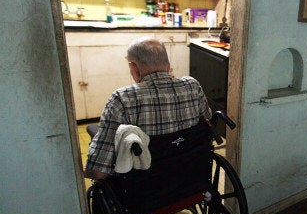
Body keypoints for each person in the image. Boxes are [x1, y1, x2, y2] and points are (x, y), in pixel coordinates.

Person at [84, 37, 212, 179]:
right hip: (189, 177)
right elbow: (208, 119)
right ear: (168, 64)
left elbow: (99, 172)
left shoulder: (122, 98)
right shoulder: (192, 85)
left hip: (147, 188)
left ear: (134, 67)